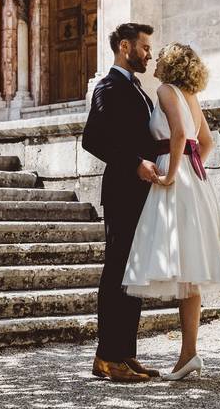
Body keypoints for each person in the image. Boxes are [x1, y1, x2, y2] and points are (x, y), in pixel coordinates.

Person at [122, 42, 220, 381]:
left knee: (181, 260)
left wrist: (173, 173)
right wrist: (191, 170)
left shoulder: (164, 90)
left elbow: (177, 134)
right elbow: (206, 143)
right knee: (188, 268)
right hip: (194, 177)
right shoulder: (190, 95)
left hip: (175, 175)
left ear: (171, 63)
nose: (156, 59)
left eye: (161, 55)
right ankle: (189, 354)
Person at [82, 22, 162, 383]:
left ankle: (126, 355)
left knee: (135, 272)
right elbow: (92, 139)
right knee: (117, 271)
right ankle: (106, 356)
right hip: (121, 191)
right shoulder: (108, 86)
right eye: (144, 47)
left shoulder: (140, 91)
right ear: (124, 46)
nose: (149, 54)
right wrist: (133, 163)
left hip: (144, 191)